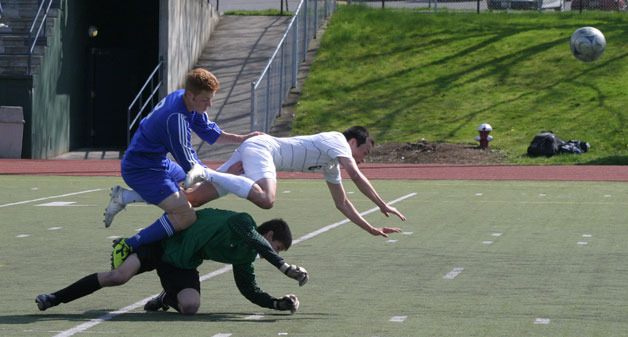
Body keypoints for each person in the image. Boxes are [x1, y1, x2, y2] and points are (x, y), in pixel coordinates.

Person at [104, 67, 261, 268]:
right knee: (186, 216)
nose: (210, 104)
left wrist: (242, 139)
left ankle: (124, 197)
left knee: (191, 194)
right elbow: (191, 165)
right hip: (142, 170)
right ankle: (128, 244)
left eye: (211, 99)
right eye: (206, 100)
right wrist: (226, 176)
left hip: (157, 163)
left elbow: (209, 132)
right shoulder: (176, 119)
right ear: (191, 96)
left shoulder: (185, 99)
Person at [36, 208, 308, 315]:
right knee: (117, 277)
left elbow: (249, 290)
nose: (275, 252)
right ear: (268, 234)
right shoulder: (243, 222)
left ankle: (166, 298)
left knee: (190, 307)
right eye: (277, 247)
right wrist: (283, 267)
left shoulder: (245, 257)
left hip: (182, 264)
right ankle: (54, 298)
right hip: (160, 245)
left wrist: (276, 303)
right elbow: (255, 239)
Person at [184, 125, 406, 237]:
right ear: (353, 142)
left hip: (255, 153)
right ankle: (206, 172)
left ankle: (201, 175)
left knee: (191, 199)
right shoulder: (337, 140)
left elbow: (343, 203)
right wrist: (382, 204)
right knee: (266, 198)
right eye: (364, 153)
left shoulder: (330, 164)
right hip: (263, 149)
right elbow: (355, 174)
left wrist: (371, 229)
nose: (362, 160)